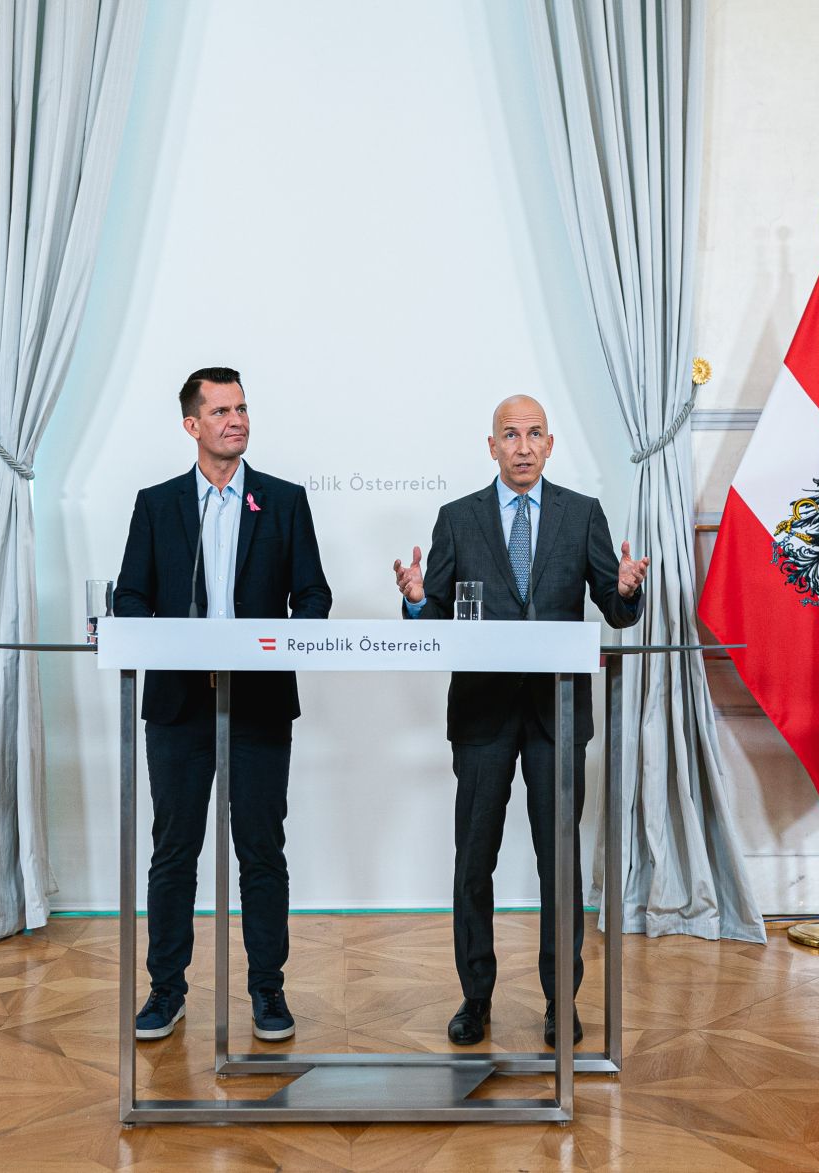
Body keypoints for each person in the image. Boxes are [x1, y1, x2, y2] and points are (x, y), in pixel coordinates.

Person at [393, 395, 647, 1047]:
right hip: (481, 713)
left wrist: (623, 590)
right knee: (473, 859)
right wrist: (419, 600)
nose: (524, 445)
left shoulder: (581, 514)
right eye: (512, 434)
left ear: (550, 443)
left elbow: (614, 612)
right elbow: (436, 610)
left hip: (556, 715)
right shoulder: (457, 518)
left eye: (535, 433)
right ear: (493, 446)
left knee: (558, 861)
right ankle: (474, 998)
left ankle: (561, 1001)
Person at [115, 367, 332, 1043]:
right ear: (192, 425)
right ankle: (165, 990)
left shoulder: (285, 501)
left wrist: (277, 641)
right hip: (180, 706)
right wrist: (169, 637)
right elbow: (129, 599)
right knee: (174, 851)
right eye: (220, 411)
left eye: (241, 408)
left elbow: (315, 597)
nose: (235, 420)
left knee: (261, 852)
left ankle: (268, 991)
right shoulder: (157, 504)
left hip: (260, 704)